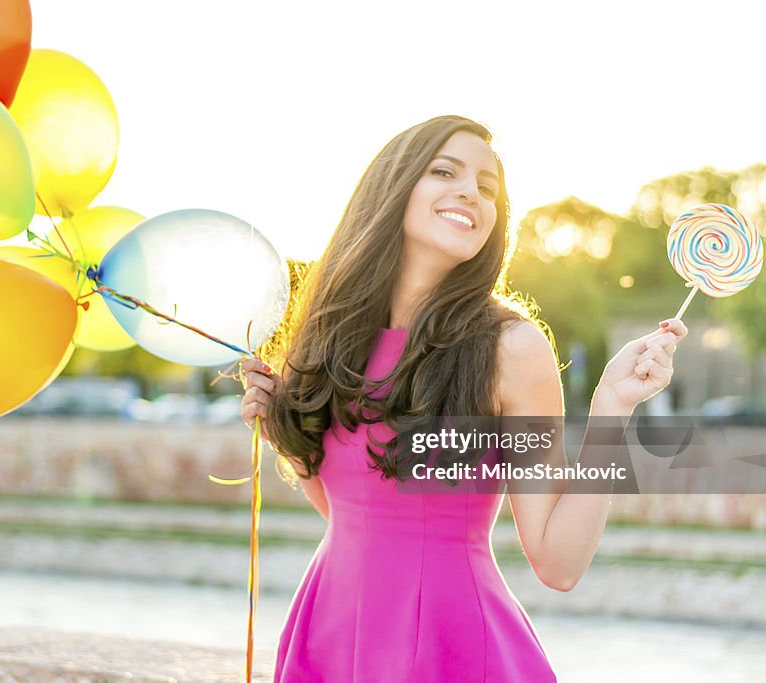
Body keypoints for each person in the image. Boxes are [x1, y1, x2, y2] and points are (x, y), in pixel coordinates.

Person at [240, 115, 687, 682]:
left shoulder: (509, 348)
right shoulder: (331, 338)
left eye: (487, 186)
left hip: (449, 647)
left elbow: (558, 563)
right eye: (444, 171)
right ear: (392, 188)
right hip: (329, 631)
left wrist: (611, 412)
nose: (469, 192)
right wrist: (287, 425)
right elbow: (357, 511)